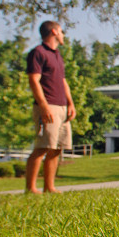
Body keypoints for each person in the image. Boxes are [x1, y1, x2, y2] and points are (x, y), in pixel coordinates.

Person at [24, 21, 75, 194]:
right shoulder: (38, 52)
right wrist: (43, 106)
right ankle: (31, 188)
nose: (63, 35)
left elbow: (63, 81)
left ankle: (49, 187)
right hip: (48, 105)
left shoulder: (57, 55)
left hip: (61, 106)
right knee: (42, 147)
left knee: (57, 148)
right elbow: (34, 80)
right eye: (61, 31)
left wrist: (70, 103)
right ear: (54, 31)